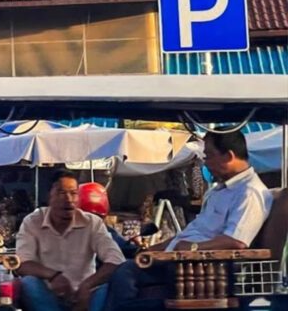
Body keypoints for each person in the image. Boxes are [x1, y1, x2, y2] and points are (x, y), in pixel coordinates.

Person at [105, 130, 273, 310]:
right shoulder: (219, 191)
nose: (205, 163)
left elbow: (236, 242)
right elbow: (192, 232)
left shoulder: (249, 193)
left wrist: (192, 248)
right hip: (179, 260)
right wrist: (155, 250)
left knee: (125, 273)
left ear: (228, 156)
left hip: (198, 269)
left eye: (208, 156)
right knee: (122, 266)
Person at [16, 170, 124, 311]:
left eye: (73, 193)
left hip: (86, 296)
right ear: (49, 196)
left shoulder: (92, 223)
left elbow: (116, 260)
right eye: (61, 193)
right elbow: (21, 264)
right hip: (49, 296)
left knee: (112, 285)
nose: (68, 199)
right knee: (28, 283)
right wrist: (54, 276)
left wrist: (87, 286)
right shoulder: (33, 222)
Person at [78, 183, 138, 259]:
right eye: (88, 217)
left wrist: (137, 249)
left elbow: (125, 248)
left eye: (97, 218)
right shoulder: (68, 232)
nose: (93, 221)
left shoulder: (107, 233)